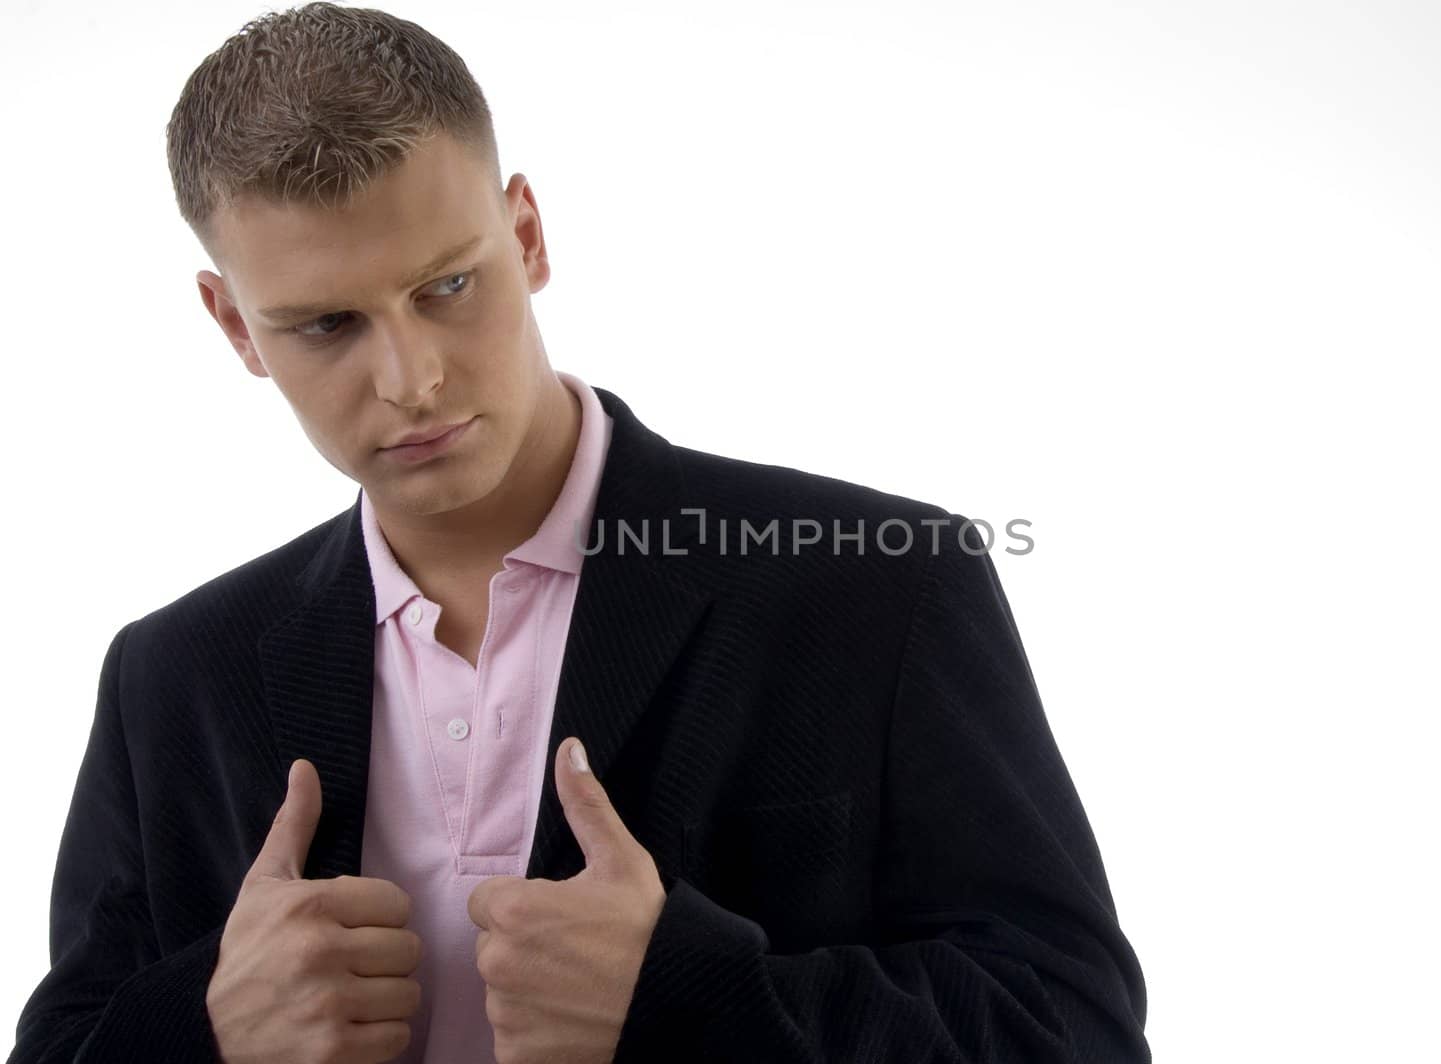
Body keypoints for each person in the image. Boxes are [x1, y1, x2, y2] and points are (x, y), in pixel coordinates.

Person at [7, 4, 1150, 1062]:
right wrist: (205, 1021)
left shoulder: (880, 586)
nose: (411, 378)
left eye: (449, 284)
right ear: (234, 325)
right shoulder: (170, 674)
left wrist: (691, 998)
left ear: (528, 232)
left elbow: (1076, 1026)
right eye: (325, 324)